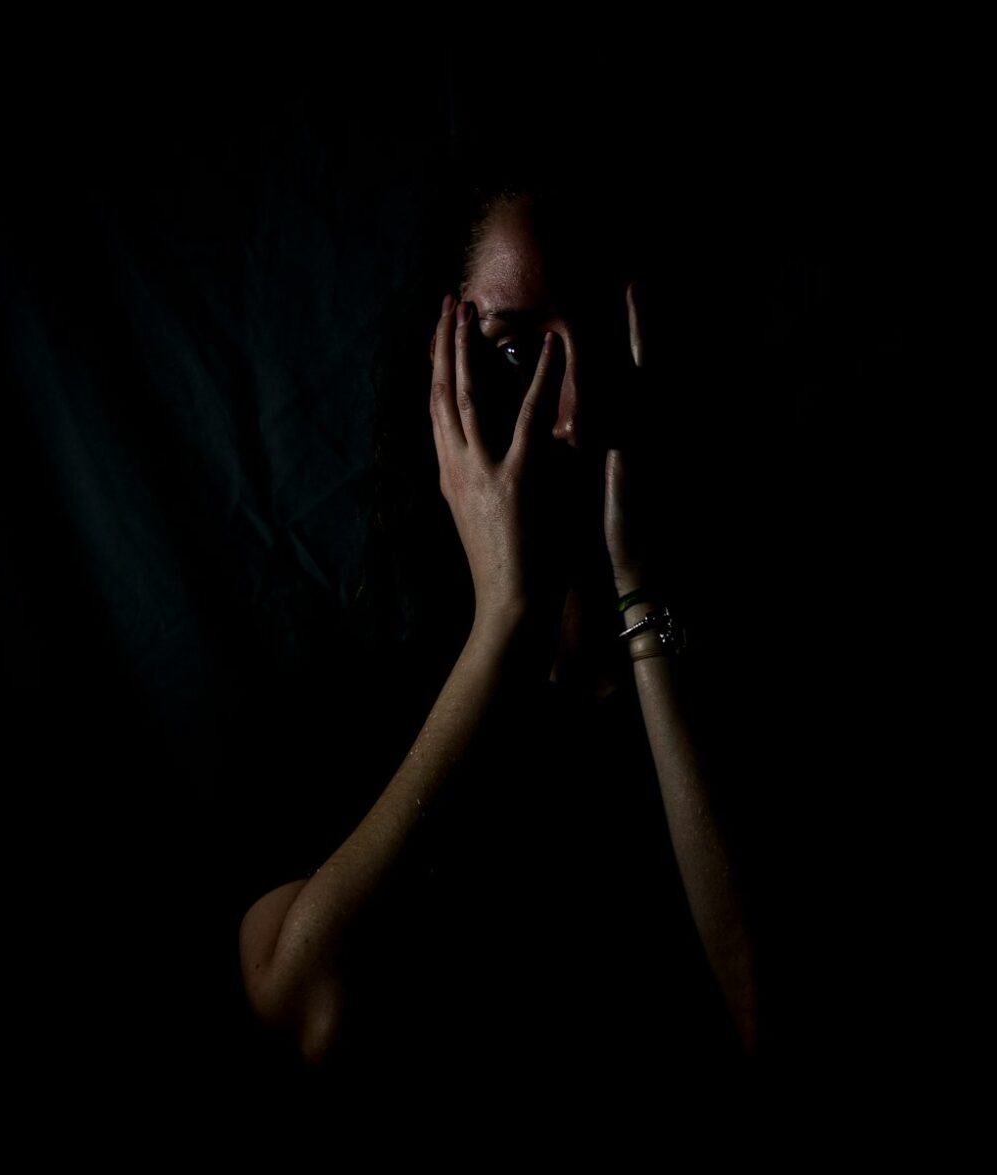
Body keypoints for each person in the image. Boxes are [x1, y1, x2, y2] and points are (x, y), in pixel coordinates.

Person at [235, 166, 761, 1109]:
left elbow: (769, 1027)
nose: (569, 413)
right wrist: (507, 622)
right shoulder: (366, 699)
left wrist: (640, 582)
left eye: (600, 345)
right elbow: (302, 1006)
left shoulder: (737, 672)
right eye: (516, 353)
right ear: (441, 380)